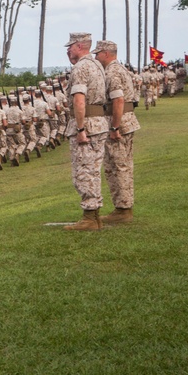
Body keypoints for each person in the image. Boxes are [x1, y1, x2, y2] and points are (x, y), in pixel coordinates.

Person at [64, 32, 109, 230]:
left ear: (80, 46)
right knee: (93, 170)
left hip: (87, 124)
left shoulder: (81, 68)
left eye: (71, 46)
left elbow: (79, 100)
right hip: (98, 122)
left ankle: (89, 217)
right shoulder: (96, 65)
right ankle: (94, 215)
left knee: (84, 171)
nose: (68, 50)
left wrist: (80, 128)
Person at [95, 41, 140, 225]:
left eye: (97, 53)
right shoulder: (120, 69)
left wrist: (114, 127)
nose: (95, 57)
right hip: (125, 121)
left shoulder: (112, 72)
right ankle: (122, 207)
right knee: (121, 165)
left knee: (117, 166)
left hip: (119, 124)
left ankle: (123, 209)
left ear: (106, 53)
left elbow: (118, 100)